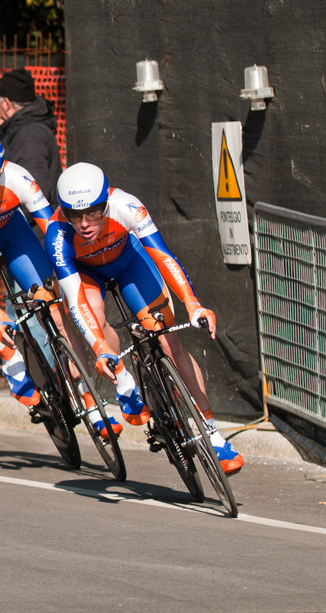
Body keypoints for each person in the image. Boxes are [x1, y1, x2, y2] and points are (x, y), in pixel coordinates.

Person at [47, 162, 243, 473]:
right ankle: (124, 381)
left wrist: (192, 303)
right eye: (75, 215)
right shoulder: (57, 234)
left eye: (94, 213)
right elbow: (75, 299)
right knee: (94, 315)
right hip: (88, 274)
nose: (84, 223)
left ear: (105, 203)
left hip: (129, 262)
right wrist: (98, 347)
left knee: (168, 341)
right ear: (64, 212)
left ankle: (212, 433)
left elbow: (162, 255)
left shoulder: (126, 206)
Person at [0, 131, 120, 434]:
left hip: (14, 237)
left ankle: (90, 401)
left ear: (0, 171)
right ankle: (9, 357)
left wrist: (59, 278)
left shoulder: (19, 178)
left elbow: (52, 230)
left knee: (56, 314)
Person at [0, 68, 63, 207]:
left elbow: (33, 193)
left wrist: (3, 220)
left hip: (33, 226)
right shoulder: (24, 130)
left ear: (6, 104)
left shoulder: (29, 135)